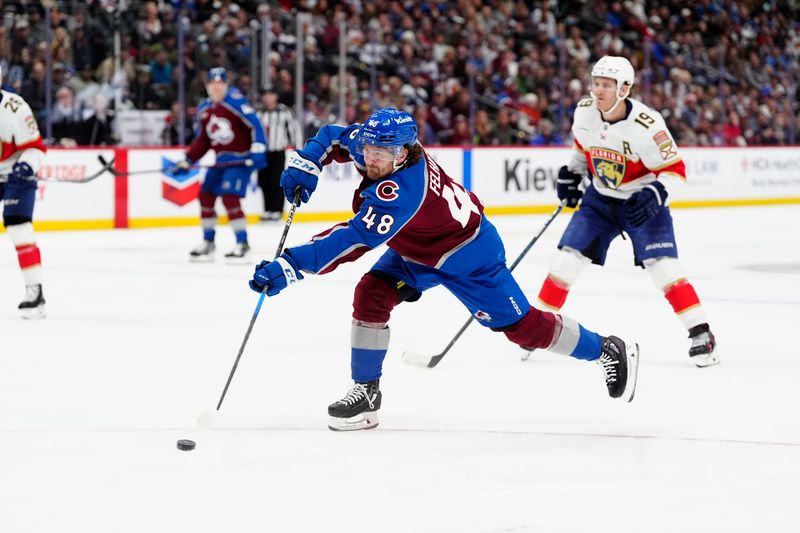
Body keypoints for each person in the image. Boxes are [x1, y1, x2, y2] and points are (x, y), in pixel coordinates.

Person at [248, 107, 640, 432]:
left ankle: (605, 348)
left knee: (524, 329)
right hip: (417, 252)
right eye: (368, 150)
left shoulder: (400, 191)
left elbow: (351, 241)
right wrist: (308, 161)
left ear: (404, 154)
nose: (371, 160)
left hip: (471, 258)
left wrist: (290, 265)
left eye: (382, 155)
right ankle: (366, 393)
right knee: (372, 294)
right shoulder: (380, 147)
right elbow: (334, 134)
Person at [533, 56, 718, 367]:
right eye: (596, 83)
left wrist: (656, 192)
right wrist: (572, 173)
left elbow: (675, 170)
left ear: (625, 89)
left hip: (640, 203)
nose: (599, 90)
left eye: (607, 85)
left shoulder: (648, 124)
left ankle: (701, 334)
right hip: (600, 201)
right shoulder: (585, 112)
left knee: (663, 268)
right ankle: (537, 330)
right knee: (565, 262)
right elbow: (582, 148)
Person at [172, 67, 267, 261]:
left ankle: (242, 243)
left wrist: (258, 149)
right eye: (213, 83)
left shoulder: (236, 102)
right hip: (221, 161)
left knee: (229, 198)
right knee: (205, 195)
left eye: (220, 83)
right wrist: (188, 159)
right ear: (207, 85)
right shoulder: (204, 109)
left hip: (240, 159)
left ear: (226, 84)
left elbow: (256, 125)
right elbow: (203, 140)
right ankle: (208, 242)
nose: (216, 87)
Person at [0, 78, 47, 318]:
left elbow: (36, 148)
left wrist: (26, 167)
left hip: (16, 175)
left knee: (19, 228)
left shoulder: (15, 107)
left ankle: (35, 293)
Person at [257, 87, 302, 221]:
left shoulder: (285, 112)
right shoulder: (259, 113)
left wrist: (298, 149)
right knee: (264, 181)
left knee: (276, 180)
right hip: (263, 152)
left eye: (270, 94)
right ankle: (268, 209)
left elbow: (295, 130)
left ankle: (277, 210)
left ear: (275, 96)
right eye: (264, 95)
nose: (267, 97)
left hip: (278, 151)